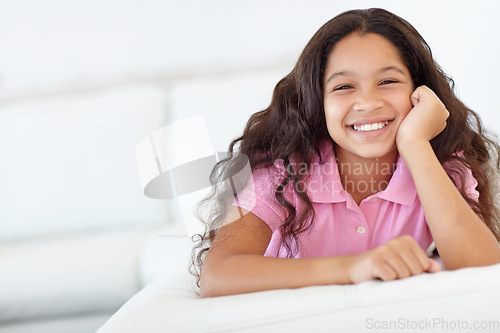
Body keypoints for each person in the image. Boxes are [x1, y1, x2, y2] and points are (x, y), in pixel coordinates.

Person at [191, 8, 500, 298]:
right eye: (343, 87)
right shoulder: (283, 173)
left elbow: (485, 271)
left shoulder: (439, 167)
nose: (367, 102)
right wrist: (355, 267)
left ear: (420, 92)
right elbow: (217, 276)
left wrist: (416, 144)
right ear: (316, 101)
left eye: (388, 81)